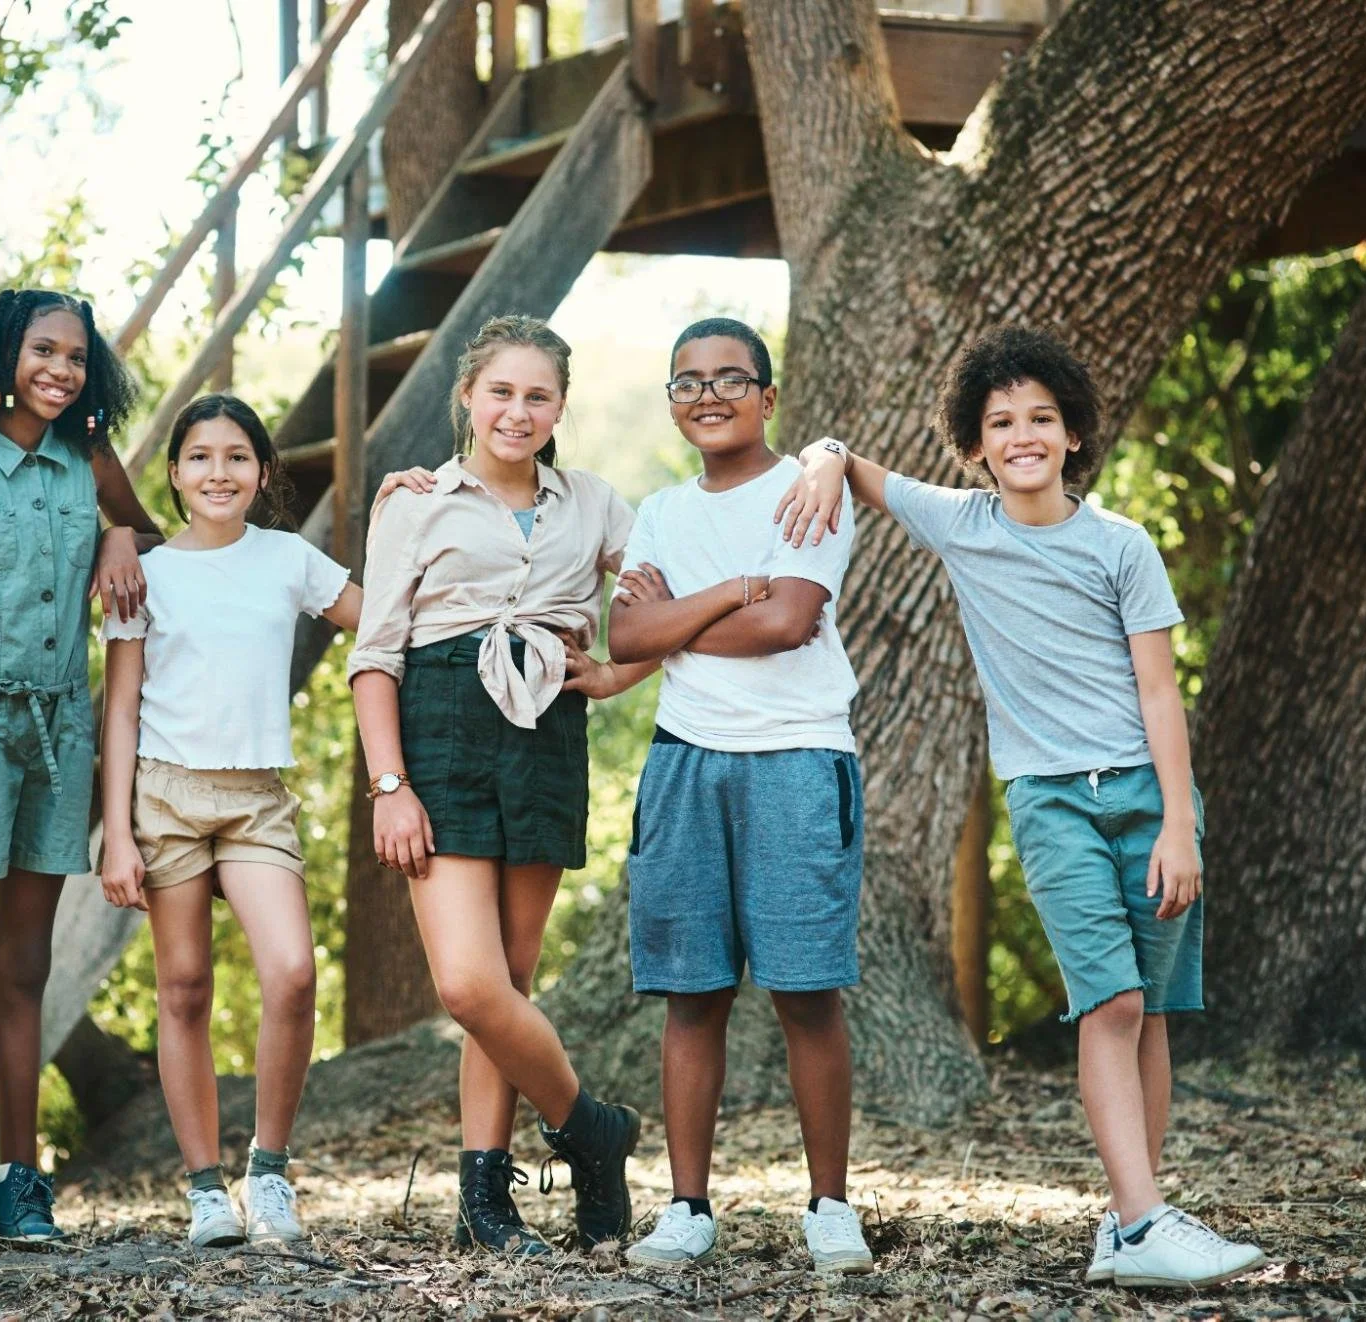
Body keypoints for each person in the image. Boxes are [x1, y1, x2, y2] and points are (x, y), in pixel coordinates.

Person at [776, 327, 1266, 1290]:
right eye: (1000, 423)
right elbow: (857, 469)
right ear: (974, 444)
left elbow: (1160, 694)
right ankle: (1141, 1223)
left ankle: (1134, 1219)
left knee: (1151, 1012)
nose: (1022, 435)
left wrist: (1178, 822)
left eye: (1041, 417)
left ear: (1074, 433)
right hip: (1050, 802)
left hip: (1147, 796)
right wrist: (820, 457)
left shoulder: (1121, 547)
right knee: (1111, 1002)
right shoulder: (961, 521)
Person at [348, 315, 655, 1255]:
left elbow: (665, 600)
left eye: (537, 396)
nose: (517, 412)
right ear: (467, 398)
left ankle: (485, 1198)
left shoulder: (595, 502)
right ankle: (592, 1133)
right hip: (437, 732)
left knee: (513, 978)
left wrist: (615, 672)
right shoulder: (414, 502)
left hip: (544, 732)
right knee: (472, 988)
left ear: (561, 406)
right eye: (500, 392)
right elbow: (374, 656)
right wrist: (388, 783)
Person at [603, 317, 874, 1275]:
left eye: (729, 378)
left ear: (767, 394)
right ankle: (686, 1208)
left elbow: (790, 621)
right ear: (671, 401)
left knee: (805, 993)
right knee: (692, 995)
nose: (707, 395)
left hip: (796, 762)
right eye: (686, 383)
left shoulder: (810, 491)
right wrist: (724, 595)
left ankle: (830, 1206)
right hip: (686, 761)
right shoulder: (662, 510)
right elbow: (624, 639)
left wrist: (671, 617)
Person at [0, 288, 163, 1259]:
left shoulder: (90, 462)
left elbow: (164, 546)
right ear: (0, 355)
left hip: (62, 731)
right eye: (43, 350)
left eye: (77, 356)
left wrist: (121, 531)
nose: (61, 369)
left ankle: (20, 1184)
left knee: (25, 966)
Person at [98, 393, 361, 1248]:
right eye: (201, 457)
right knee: (183, 991)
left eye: (238, 456)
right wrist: (116, 831)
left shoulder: (288, 558)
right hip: (166, 797)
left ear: (261, 473)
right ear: (173, 474)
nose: (220, 471)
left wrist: (412, 505)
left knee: (291, 973)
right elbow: (123, 708)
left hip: (256, 800)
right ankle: (204, 1187)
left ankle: (269, 1171)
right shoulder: (146, 573)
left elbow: (384, 617)